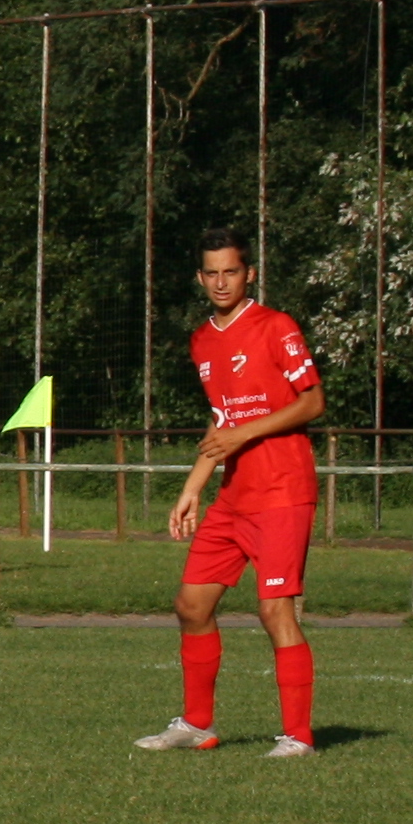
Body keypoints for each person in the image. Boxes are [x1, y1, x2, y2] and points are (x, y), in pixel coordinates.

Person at [139, 228, 326, 757]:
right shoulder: (202, 339)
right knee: (191, 604)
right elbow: (222, 422)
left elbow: (312, 402)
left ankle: (298, 737)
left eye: (232, 271)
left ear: (250, 274)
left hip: (283, 490)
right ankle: (196, 725)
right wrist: (192, 490)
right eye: (212, 273)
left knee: (275, 612)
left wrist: (246, 433)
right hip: (234, 496)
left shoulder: (275, 326)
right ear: (201, 278)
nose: (222, 281)